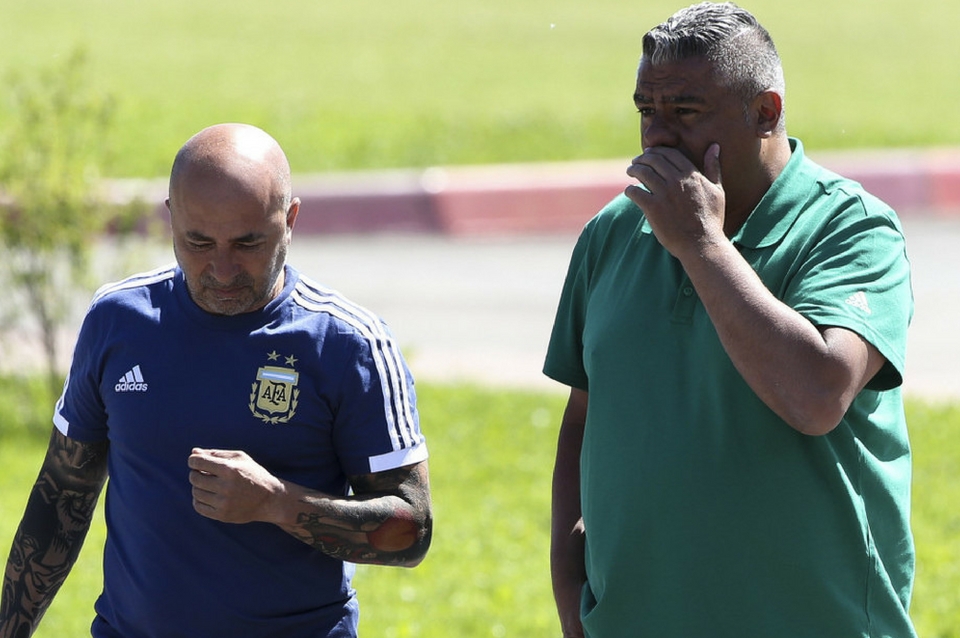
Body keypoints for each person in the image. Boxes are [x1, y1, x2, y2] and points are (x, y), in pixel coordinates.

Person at [544, 3, 916, 637]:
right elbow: (584, 418)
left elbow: (817, 396)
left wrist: (701, 244)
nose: (657, 137)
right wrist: (570, 588)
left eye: (685, 112)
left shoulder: (850, 228)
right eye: (646, 110)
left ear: (765, 112)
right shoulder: (614, 232)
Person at [0, 123, 432, 638]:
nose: (222, 270)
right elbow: (62, 495)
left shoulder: (348, 343)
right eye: (198, 242)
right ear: (171, 217)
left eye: (248, 243)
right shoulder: (119, 320)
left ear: (290, 220)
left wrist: (276, 503)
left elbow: (412, 531)